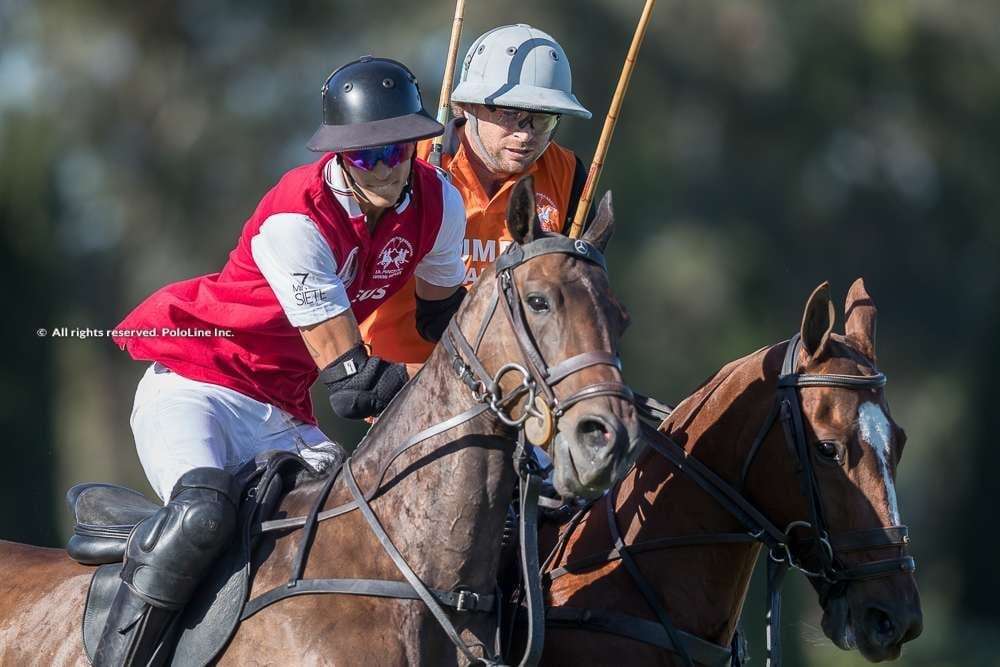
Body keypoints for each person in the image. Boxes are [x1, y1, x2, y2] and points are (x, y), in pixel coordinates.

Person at [96, 56, 468, 666]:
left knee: (361, 530)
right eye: (365, 155)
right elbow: (355, 392)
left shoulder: (440, 203)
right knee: (201, 519)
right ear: (340, 157)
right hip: (198, 386)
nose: (386, 167)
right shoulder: (298, 218)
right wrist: (467, 381)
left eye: (398, 148)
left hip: (283, 411)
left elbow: (439, 322)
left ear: (417, 143)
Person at [360, 24, 594, 365]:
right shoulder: (410, 160)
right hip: (404, 379)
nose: (525, 134)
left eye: (542, 119)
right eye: (511, 114)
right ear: (467, 106)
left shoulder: (569, 174)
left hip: (512, 384)